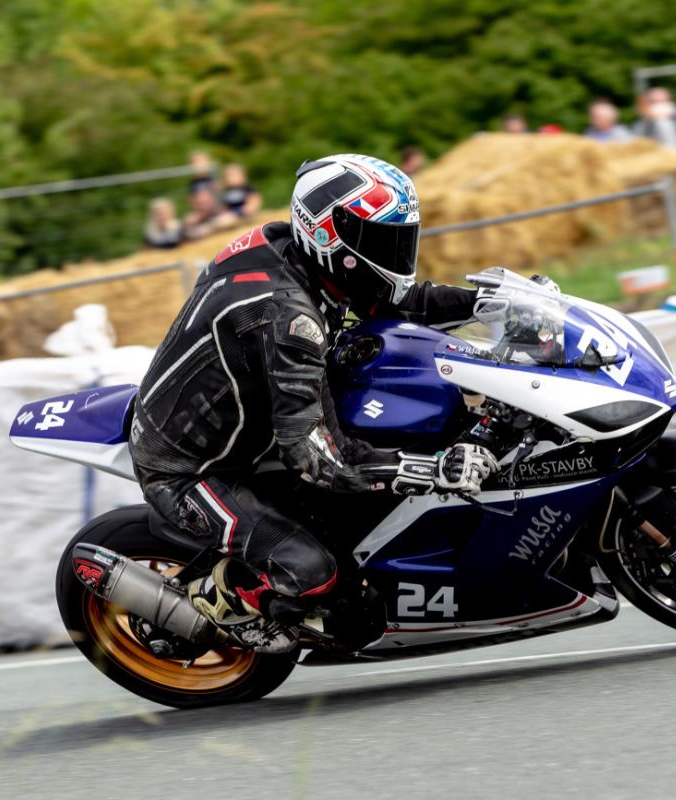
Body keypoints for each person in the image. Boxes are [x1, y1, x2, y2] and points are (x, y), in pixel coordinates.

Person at [130, 154, 499, 653]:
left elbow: (396, 300)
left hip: (250, 423)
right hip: (193, 469)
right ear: (331, 237)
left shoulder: (297, 252)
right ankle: (221, 599)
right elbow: (315, 458)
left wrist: (486, 304)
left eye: (400, 240)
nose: (395, 255)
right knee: (325, 585)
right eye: (381, 242)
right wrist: (432, 469)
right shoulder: (289, 319)